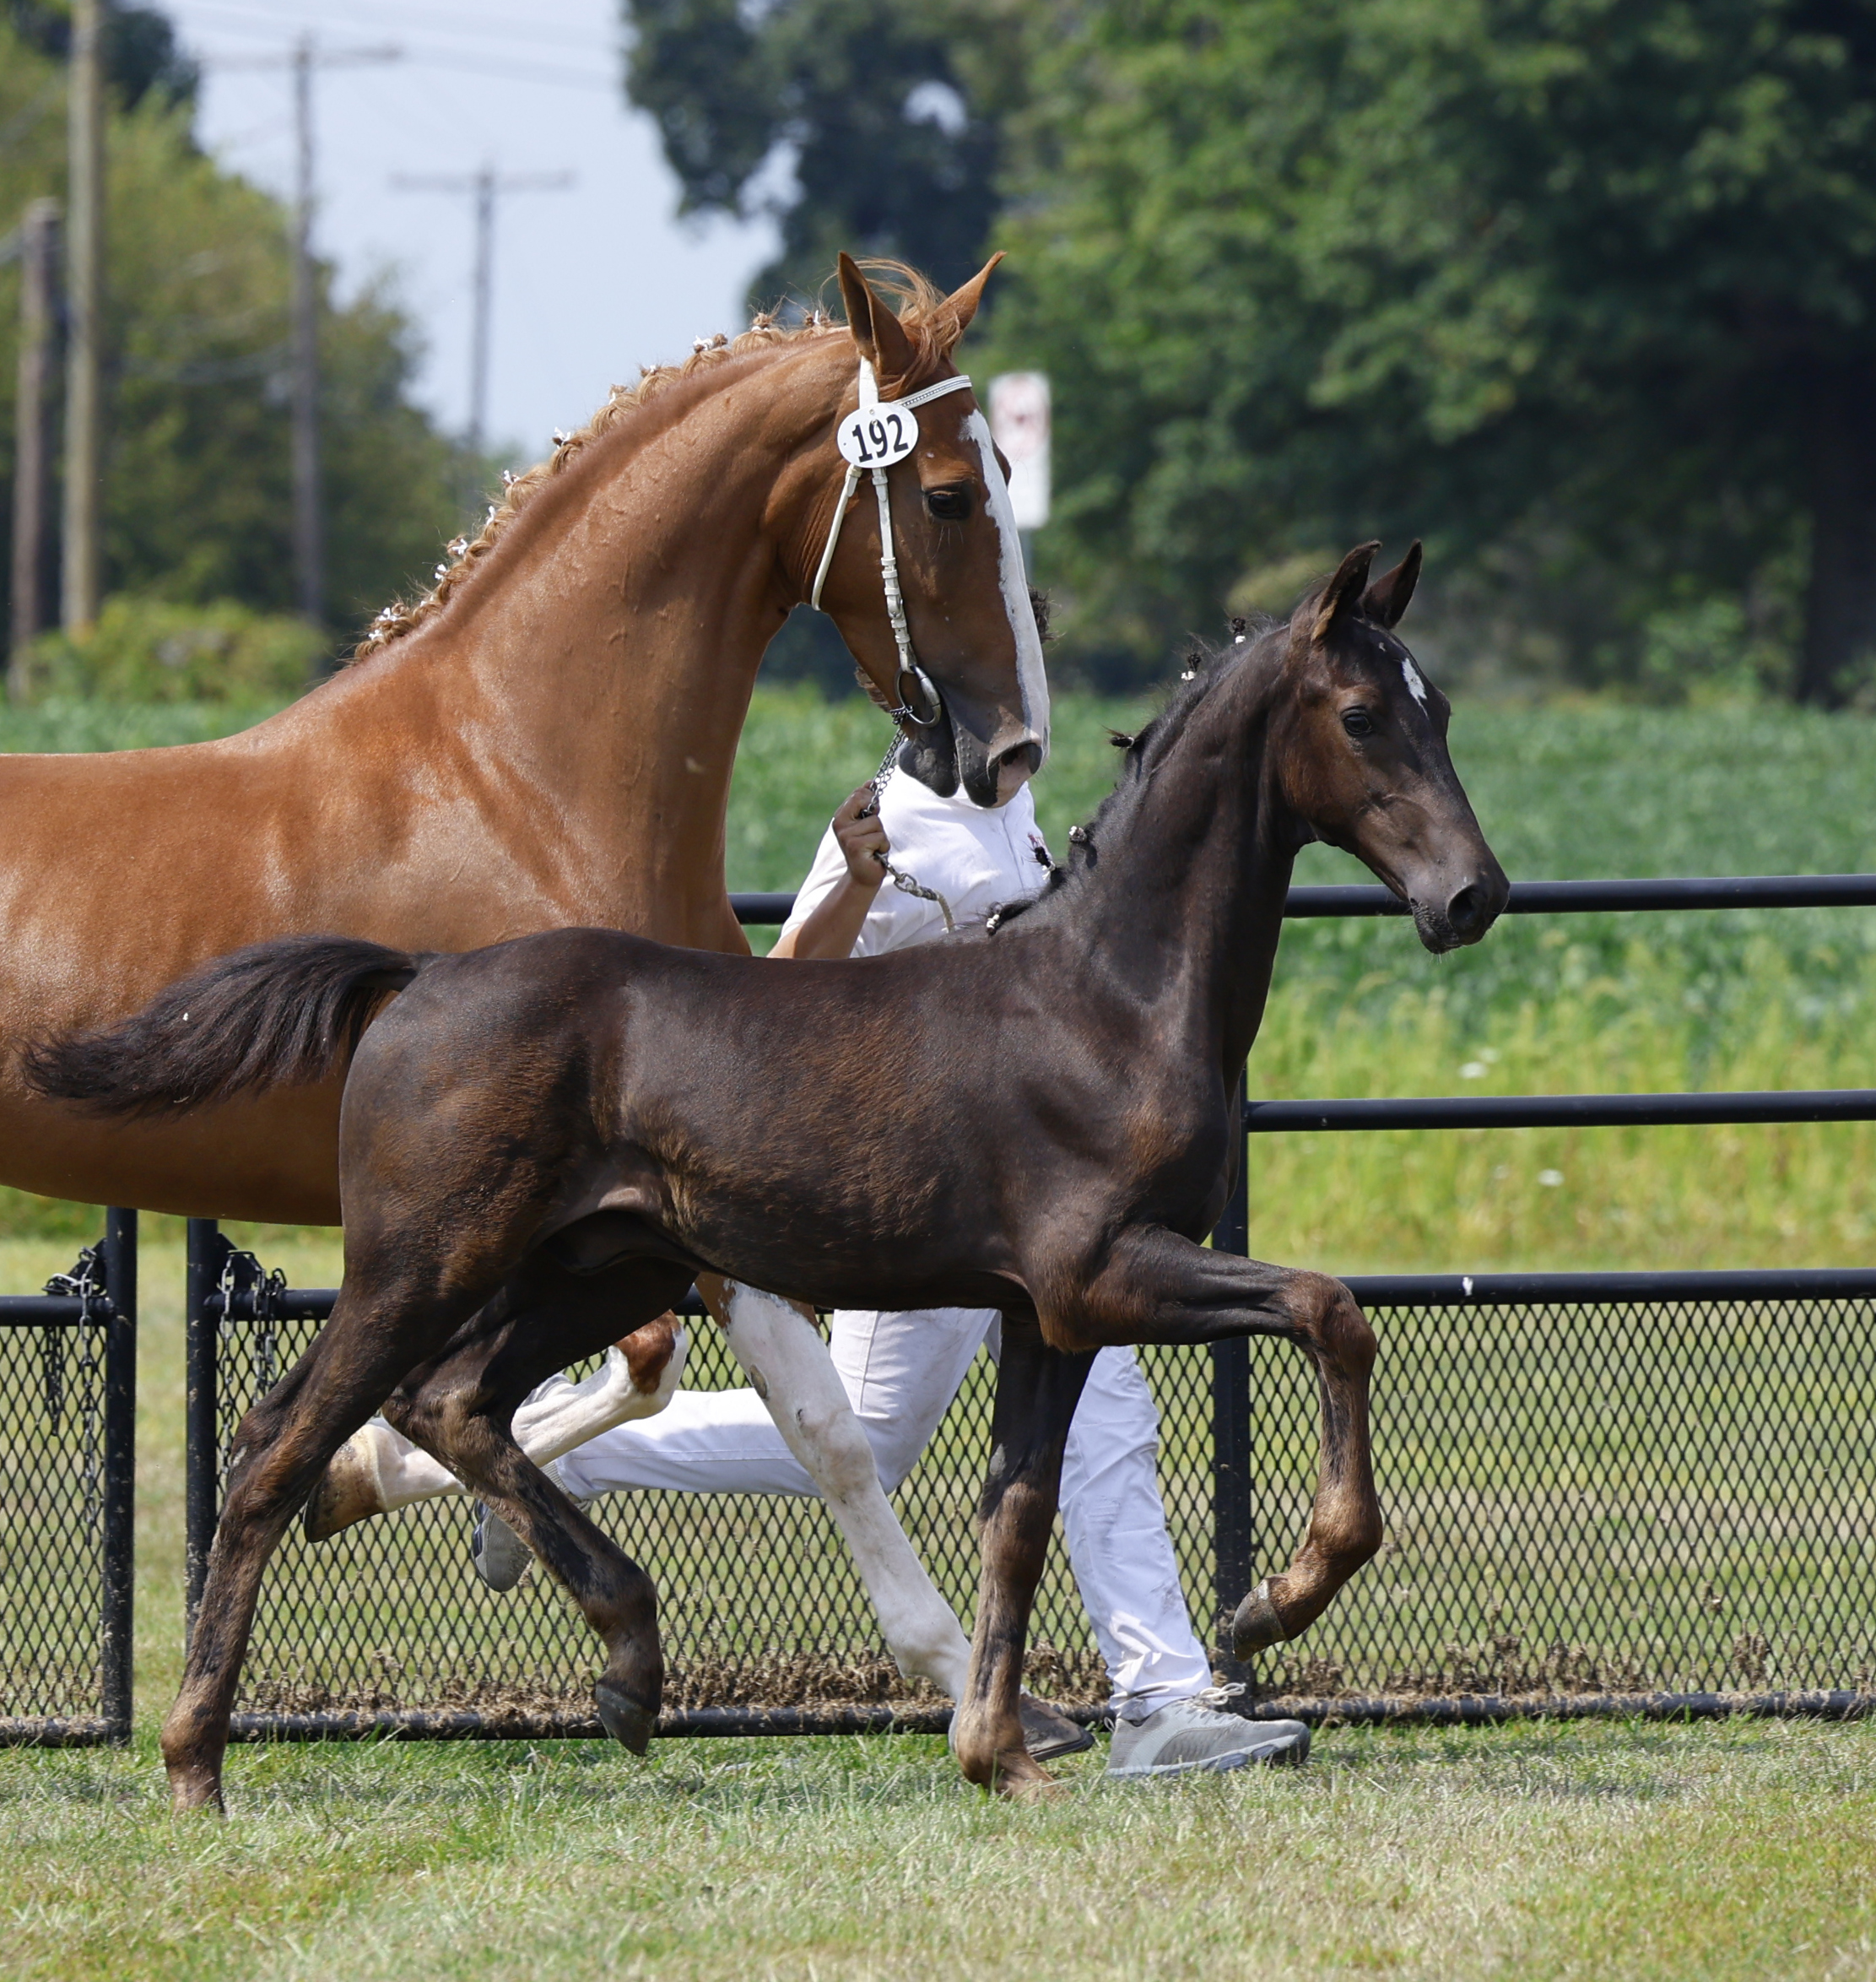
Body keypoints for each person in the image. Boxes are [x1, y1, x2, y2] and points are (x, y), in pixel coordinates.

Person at [475, 755, 1309, 1780]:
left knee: (1102, 1420)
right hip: (918, 1199)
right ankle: (569, 1447)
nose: (1023, 728)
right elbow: (779, 982)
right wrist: (860, 880)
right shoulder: (890, 816)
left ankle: (1160, 1703)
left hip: (1038, 1196)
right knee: (869, 1435)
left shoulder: (1021, 809)